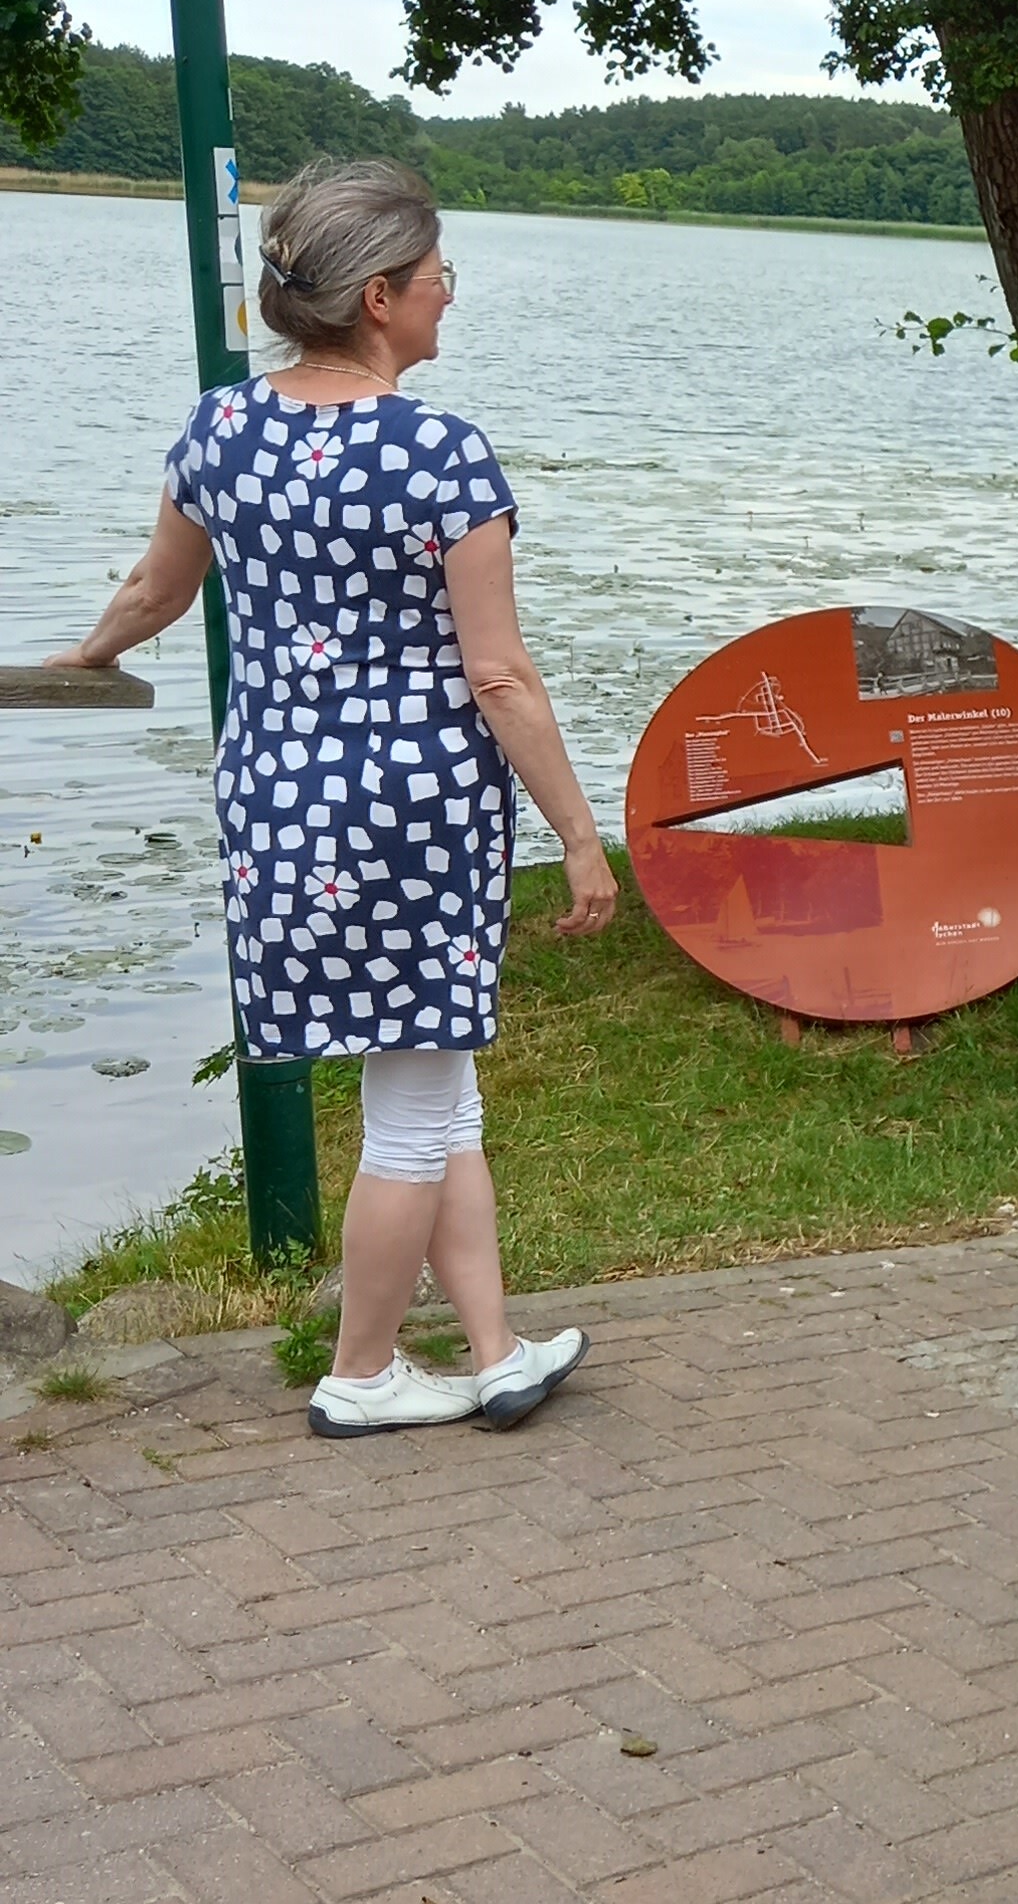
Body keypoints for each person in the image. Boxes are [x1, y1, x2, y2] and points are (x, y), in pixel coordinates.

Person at [44, 159, 609, 1438]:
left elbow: (156, 590)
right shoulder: (442, 454)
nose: (448, 295)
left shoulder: (219, 431)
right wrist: (580, 834)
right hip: (415, 812)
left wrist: (86, 655)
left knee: (433, 1083)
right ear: (377, 297)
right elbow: (499, 675)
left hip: (281, 804)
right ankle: (360, 1372)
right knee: (412, 1105)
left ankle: (494, 1349)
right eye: (436, 276)